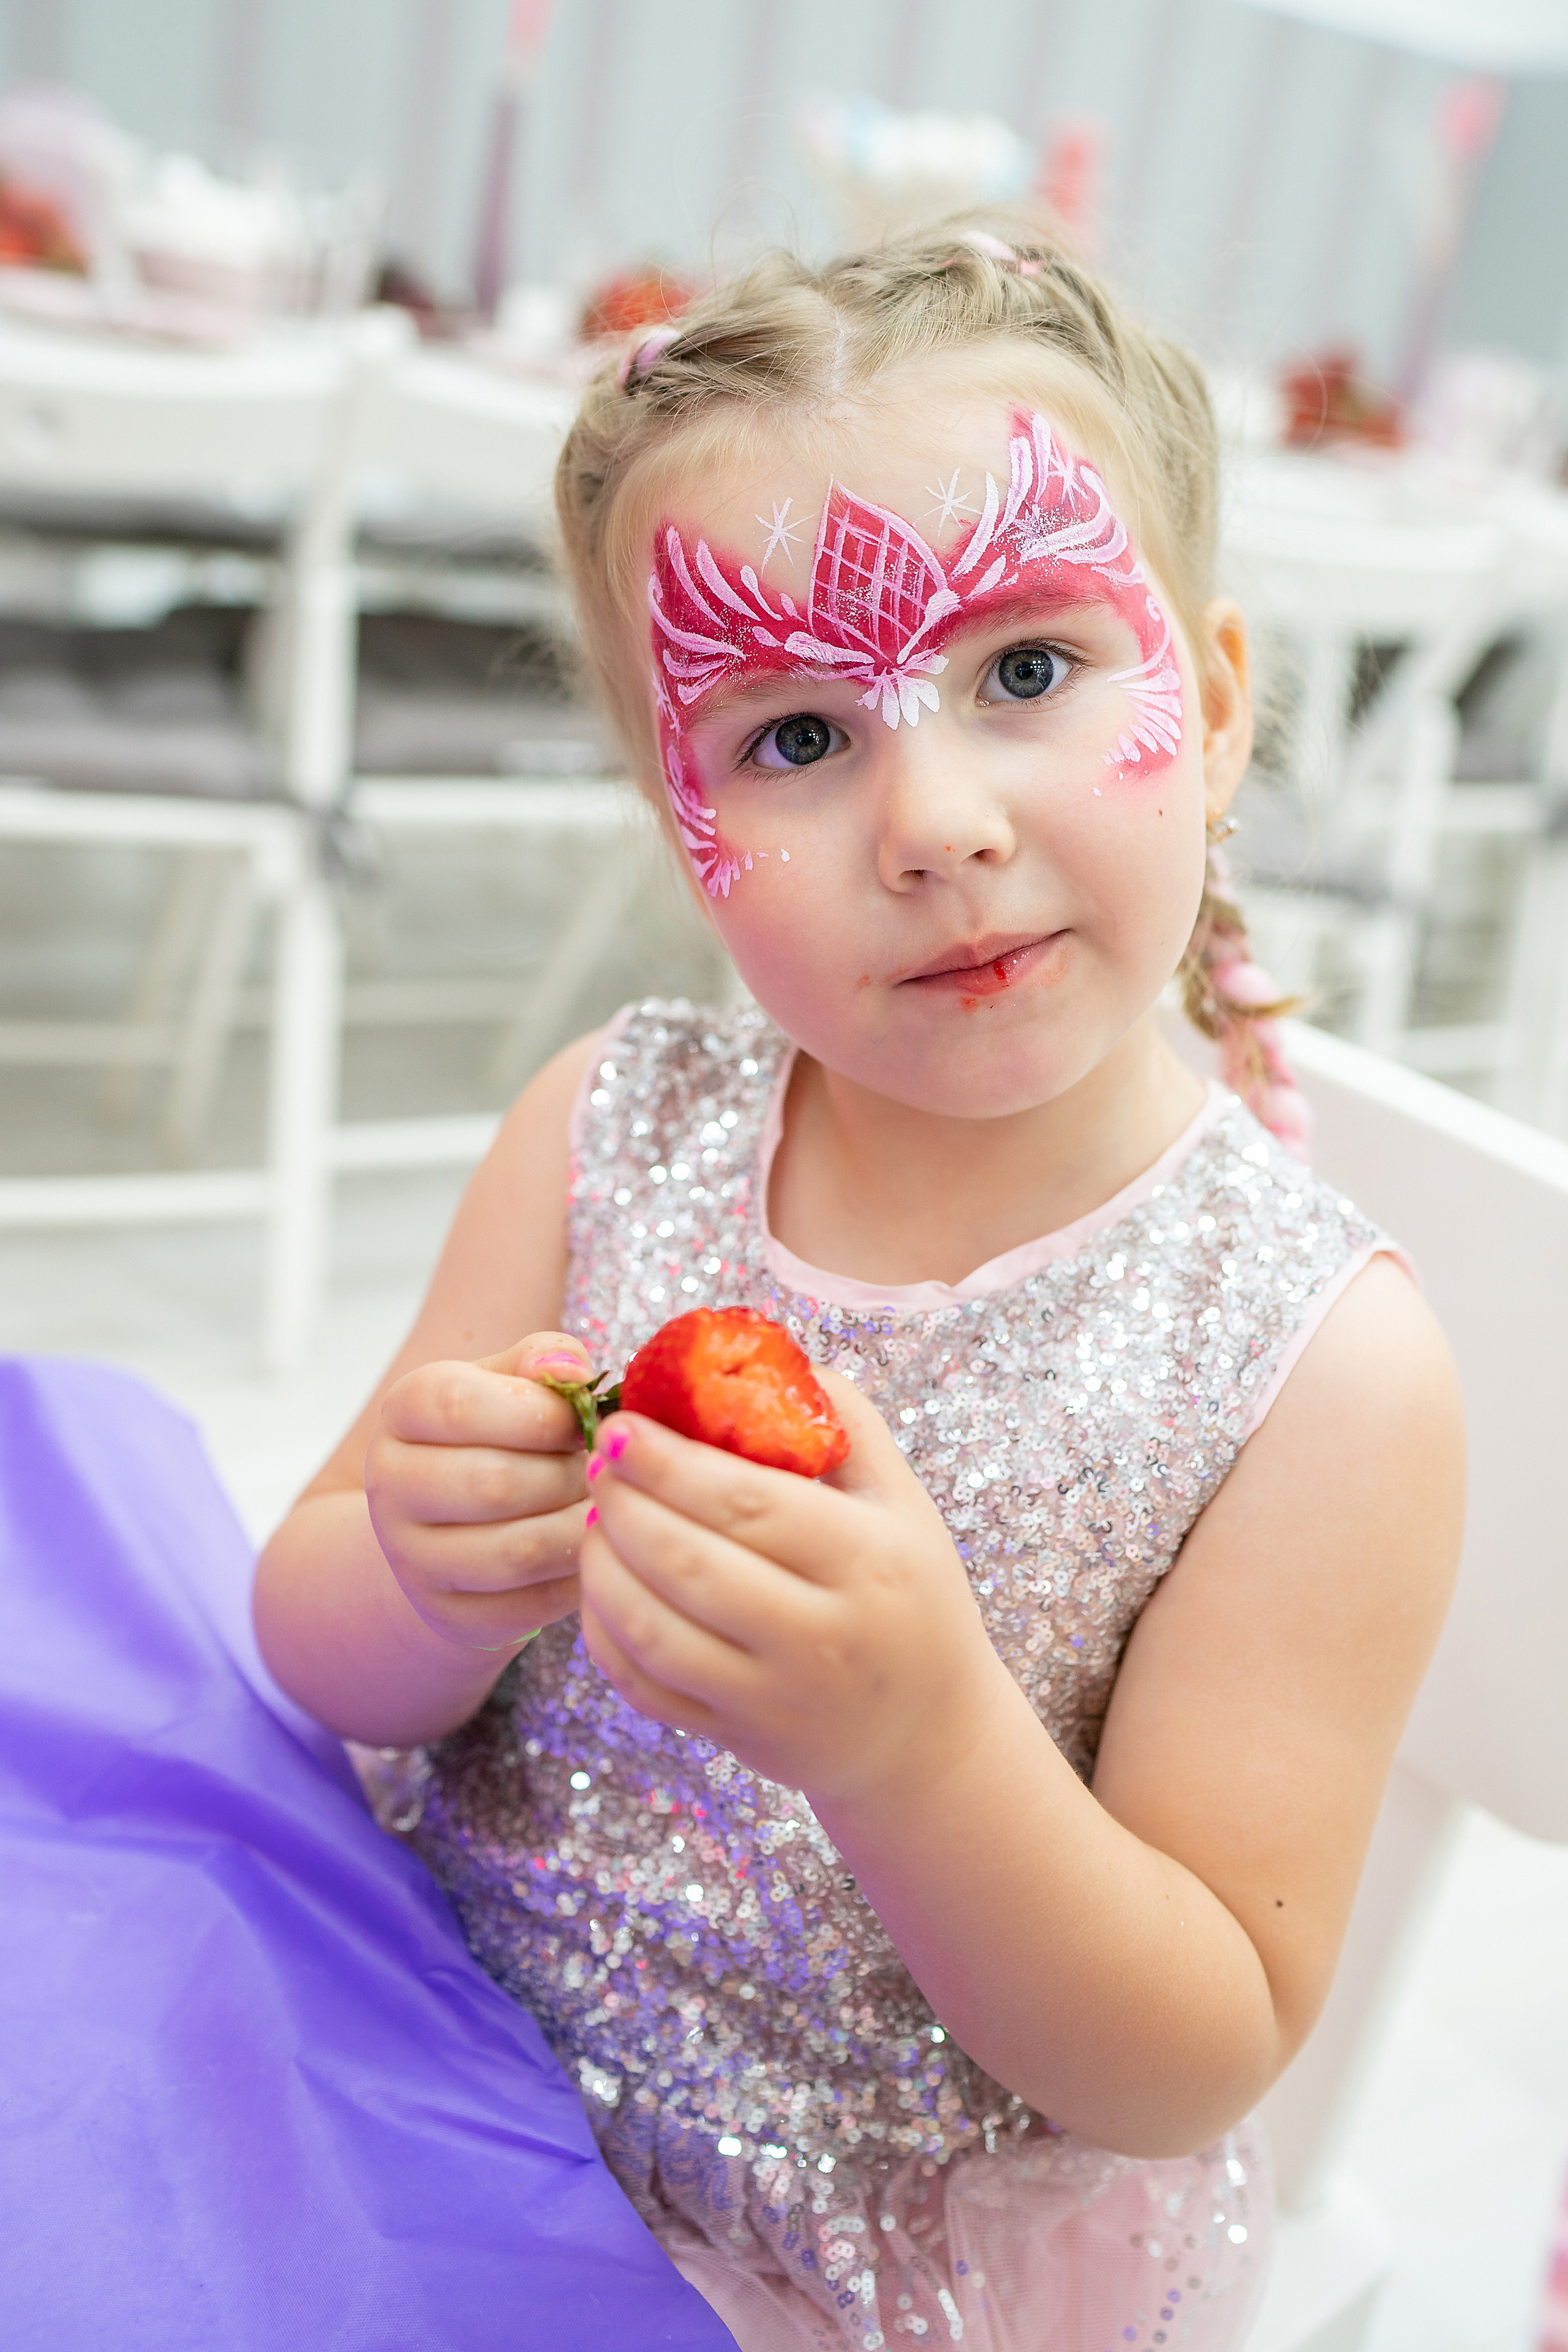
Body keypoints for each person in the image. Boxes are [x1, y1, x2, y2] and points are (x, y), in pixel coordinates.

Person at [254, 211, 1463, 2351]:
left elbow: (1195, 2049)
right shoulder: (609, 1123)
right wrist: (424, 1585)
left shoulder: (1324, 1372)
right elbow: (315, 1646)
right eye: (795, 739)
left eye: (1024, 673)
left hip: (836, 2273)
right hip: (419, 2081)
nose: (934, 822)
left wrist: (918, 1745)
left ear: (1218, 698)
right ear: (674, 807)